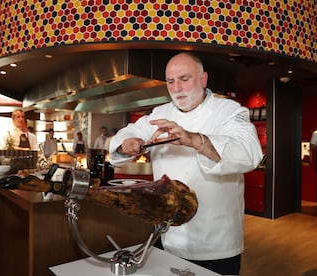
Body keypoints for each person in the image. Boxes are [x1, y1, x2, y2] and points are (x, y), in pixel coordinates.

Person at [109, 52, 263, 275]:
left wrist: (194, 140)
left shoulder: (230, 111)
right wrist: (128, 143)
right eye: (171, 81)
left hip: (216, 243)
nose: (177, 88)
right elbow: (131, 131)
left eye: (184, 79)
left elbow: (250, 152)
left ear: (203, 79)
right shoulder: (160, 113)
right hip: (168, 236)